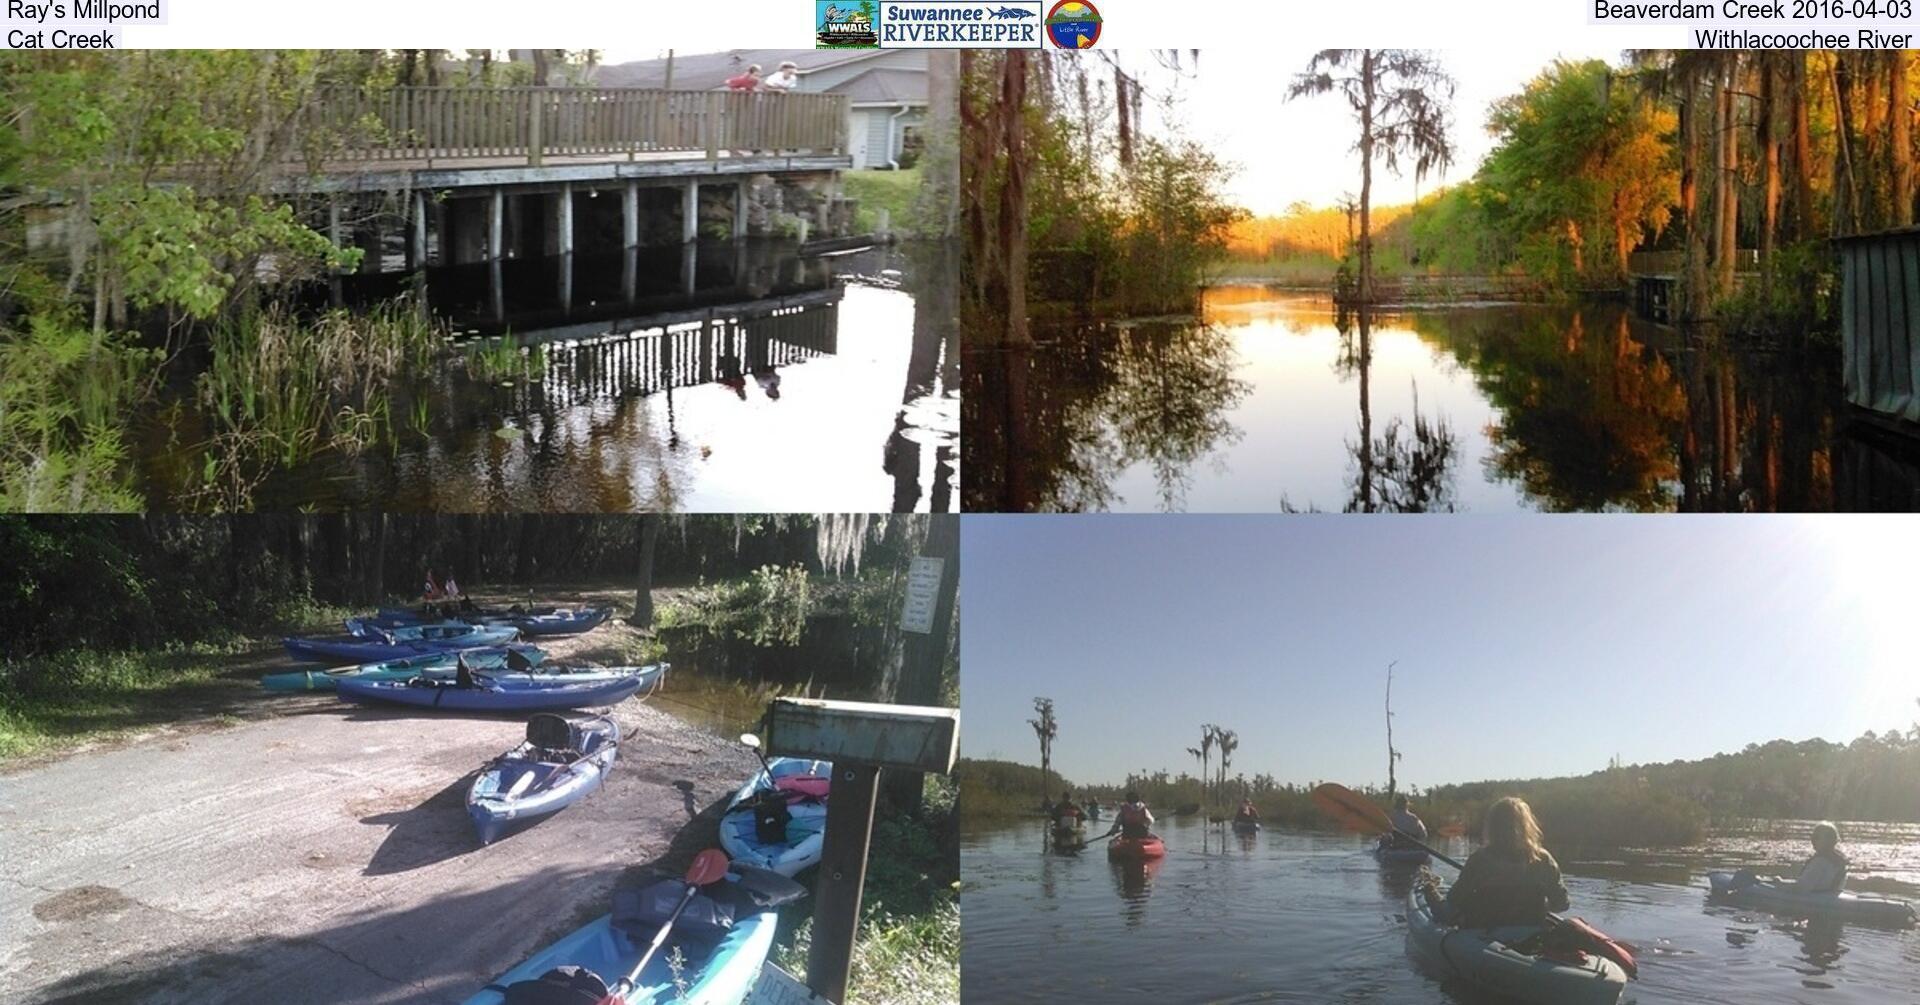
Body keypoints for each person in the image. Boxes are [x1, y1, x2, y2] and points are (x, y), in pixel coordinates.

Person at [1445, 796, 1570, 928]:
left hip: (1484, 933)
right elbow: (1561, 904)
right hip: (1531, 934)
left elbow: (1455, 899)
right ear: (1526, 825)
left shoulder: (1480, 859)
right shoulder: (1543, 859)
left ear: (1492, 826)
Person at [1792, 822, 1849, 893]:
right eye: (1813, 837)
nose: (1812, 840)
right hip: (1830, 897)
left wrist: (1779, 883)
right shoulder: (1839, 861)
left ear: (1827, 840)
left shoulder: (1819, 862)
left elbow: (1801, 887)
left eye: (1816, 837)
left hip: (1815, 900)